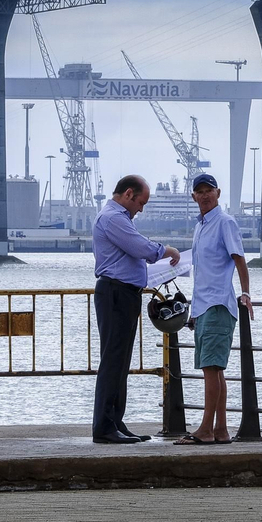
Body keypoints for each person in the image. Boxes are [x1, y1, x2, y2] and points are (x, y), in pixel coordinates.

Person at [91, 174, 179, 444]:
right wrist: (168, 251)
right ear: (128, 194)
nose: (141, 208)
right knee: (113, 360)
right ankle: (105, 427)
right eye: (141, 202)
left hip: (123, 293)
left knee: (121, 362)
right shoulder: (113, 218)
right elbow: (140, 247)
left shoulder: (119, 218)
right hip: (115, 293)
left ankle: (115, 422)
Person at [176, 172, 252, 444]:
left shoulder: (225, 222)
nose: (205, 195)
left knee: (211, 366)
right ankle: (220, 429)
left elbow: (240, 260)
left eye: (210, 190)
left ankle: (206, 429)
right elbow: (202, 271)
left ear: (218, 193)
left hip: (219, 303)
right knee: (215, 369)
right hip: (204, 305)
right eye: (200, 191)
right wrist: (195, 311)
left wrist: (245, 293)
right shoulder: (200, 226)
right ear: (193, 196)